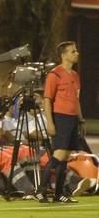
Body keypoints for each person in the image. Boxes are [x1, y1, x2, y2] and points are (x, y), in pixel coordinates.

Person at [35, 41, 85, 203]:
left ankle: (58, 194)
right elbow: (47, 100)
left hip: (72, 119)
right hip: (61, 117)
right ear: (63, 55)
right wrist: (50, 122)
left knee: (66, 157)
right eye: (73, 51)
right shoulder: (54, 75)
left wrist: (81, 120)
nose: (76, 53)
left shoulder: (75, 76)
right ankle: (41, 190)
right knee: (58, 155)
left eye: (76, 51)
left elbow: (76, 100)